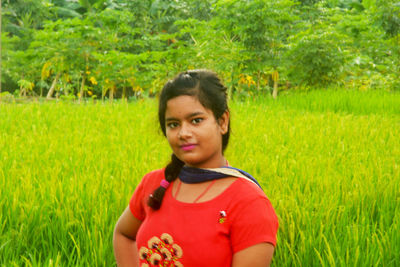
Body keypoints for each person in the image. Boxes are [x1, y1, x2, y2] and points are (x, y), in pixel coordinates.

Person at [113, 70, 279, 267]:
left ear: (222, 122)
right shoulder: (155, 184)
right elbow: (123, 234)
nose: (183, 133)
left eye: (196, 120)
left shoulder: (249, 204)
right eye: (173, 124)